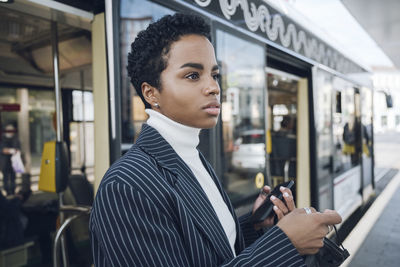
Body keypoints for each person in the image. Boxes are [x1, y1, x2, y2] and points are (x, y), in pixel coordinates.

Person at [89, 13, 342, 266]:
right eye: (193, 75)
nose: (213, 87)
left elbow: (210, 250)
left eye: (215, 74)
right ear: (151, 93)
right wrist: (285, 243)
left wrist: (255, 226)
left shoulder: (191, 155)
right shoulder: (125, 186)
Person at [0, 123, 21, 196]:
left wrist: (9, 150)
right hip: (4, 162)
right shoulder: (2, 139)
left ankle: (12, 192)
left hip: (14, 162)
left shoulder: (15, 139)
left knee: (13, 178)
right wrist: (11, 151)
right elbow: (2, 150)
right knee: (5, 178)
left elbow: (17, 149)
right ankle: (7, 192)